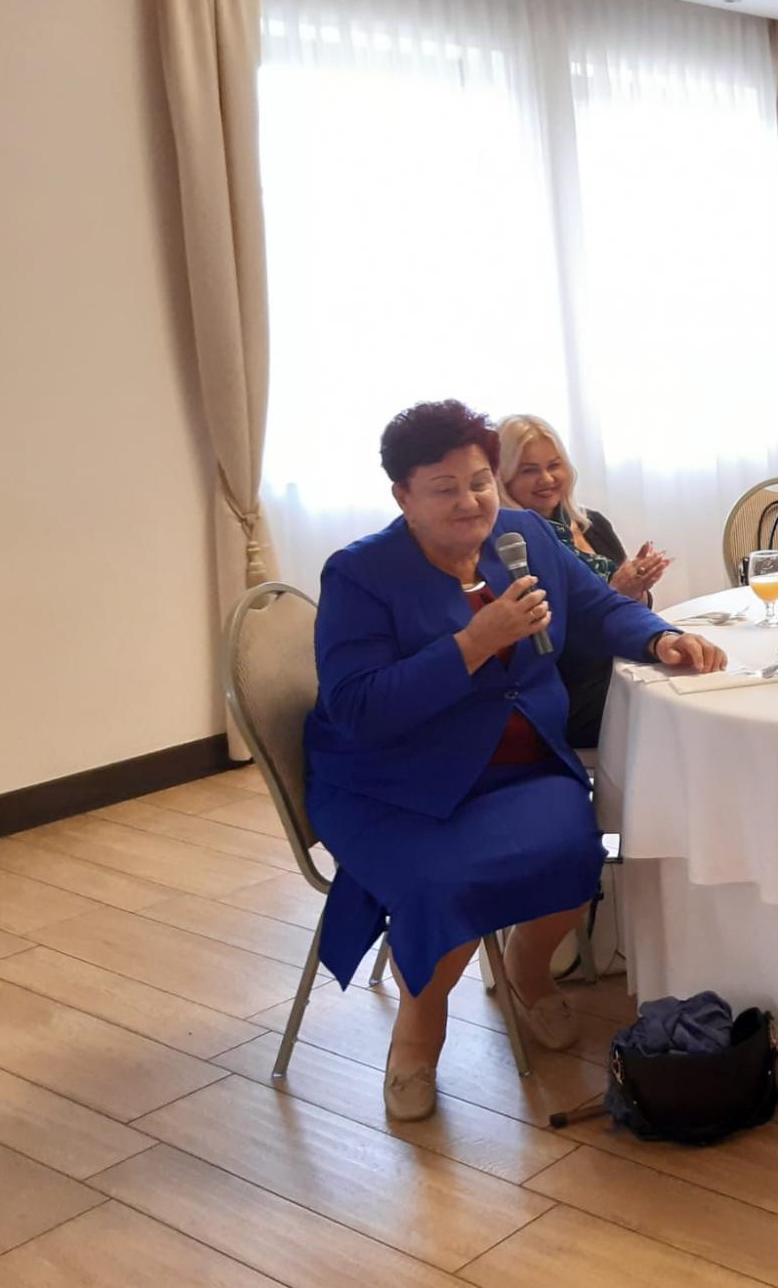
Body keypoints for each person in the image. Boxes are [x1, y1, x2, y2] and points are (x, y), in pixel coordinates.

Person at [304, 400, 727, 1121]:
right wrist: (475, 643)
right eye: (444, 489)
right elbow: (359, 707)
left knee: (583, 849)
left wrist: (658, 638)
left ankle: (529, 970)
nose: (470, 502)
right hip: (396, 781)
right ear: (403, 496)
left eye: (479, 482)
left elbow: (597, 608)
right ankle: (419, 1031)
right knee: (441, 882)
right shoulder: (361, 574)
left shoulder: (523, 534)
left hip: (519, 765)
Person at [497, 412, 669, 748]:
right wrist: (614, 592)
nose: (547, 479)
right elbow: (548, 644)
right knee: (672, 711)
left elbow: (631, 610)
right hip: (574, 687)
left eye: (554, 465)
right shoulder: (511, 547)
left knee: (695, 676)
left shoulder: (593, 524)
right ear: (503, 479)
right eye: (529, 470)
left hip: (620, 663)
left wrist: (636, 591)